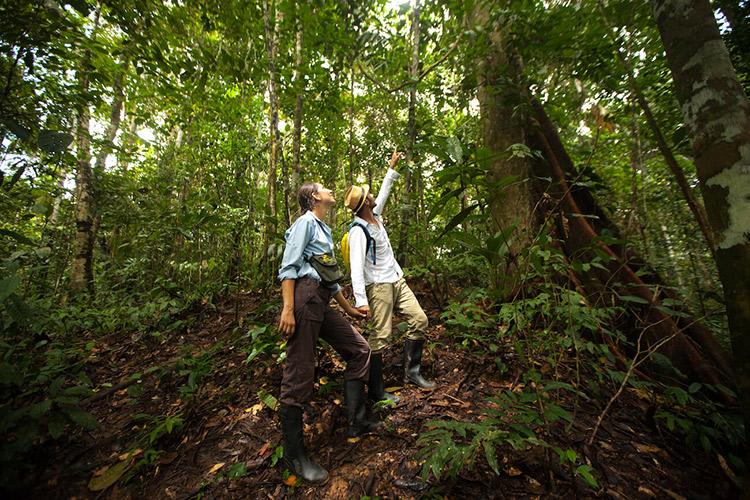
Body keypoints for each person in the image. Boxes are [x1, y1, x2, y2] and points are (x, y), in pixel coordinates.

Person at [277, 182, 381, 484]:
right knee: (299, 373)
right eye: (324, 188)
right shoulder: (305, 224)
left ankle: (356, 421)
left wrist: (349, 310)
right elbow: (289, 267)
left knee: (360, 349)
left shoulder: (323, 228)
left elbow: (330, 279)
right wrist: (287, 309)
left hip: (321, 299)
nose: (330, 191)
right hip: (305, 299)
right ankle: (294, 456)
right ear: (313, 198)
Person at [344, 150, 436, 405]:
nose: (372, 195)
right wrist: (361, 301)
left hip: (397, 279)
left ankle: (412, 373)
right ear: (364, 203)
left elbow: (383, 192)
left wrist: (392, 167)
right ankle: (376, 390)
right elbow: (355, 268)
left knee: (419, 319)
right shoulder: (358, 232)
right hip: (379, 287)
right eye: (368, 195)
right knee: (380, 337)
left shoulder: (376, 217)